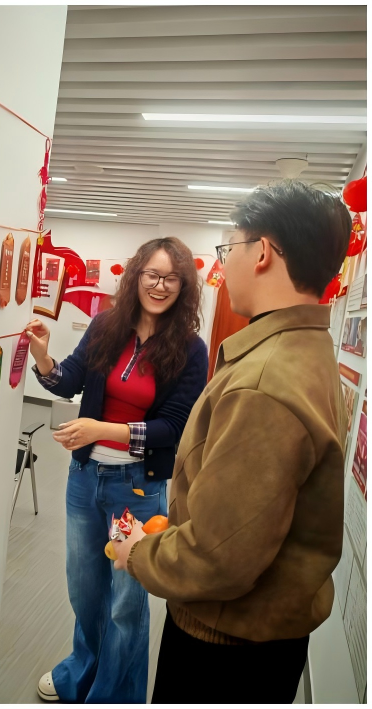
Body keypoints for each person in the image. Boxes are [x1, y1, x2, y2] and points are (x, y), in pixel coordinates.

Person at [113, 181, 350, 703]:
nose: (225, 265)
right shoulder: (305, 349)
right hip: (260, 636)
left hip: (224, 647)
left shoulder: (264, 381)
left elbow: (218, 556)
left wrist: (140, 553)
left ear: (261, 252)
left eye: (230, 248)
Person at [28, 237, 209, 703]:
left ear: (184, 287)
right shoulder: (106, 325)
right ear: (136, 276)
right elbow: (69, 378)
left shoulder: (190, 349)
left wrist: (100, 430)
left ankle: (111, 695)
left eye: (172, 278)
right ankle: (81, 672)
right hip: (85, 480)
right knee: (85, 590)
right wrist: (43, 356)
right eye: (152, 274)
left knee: (126, 605)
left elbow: (172, 427)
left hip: (137, 490)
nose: (160, 285)